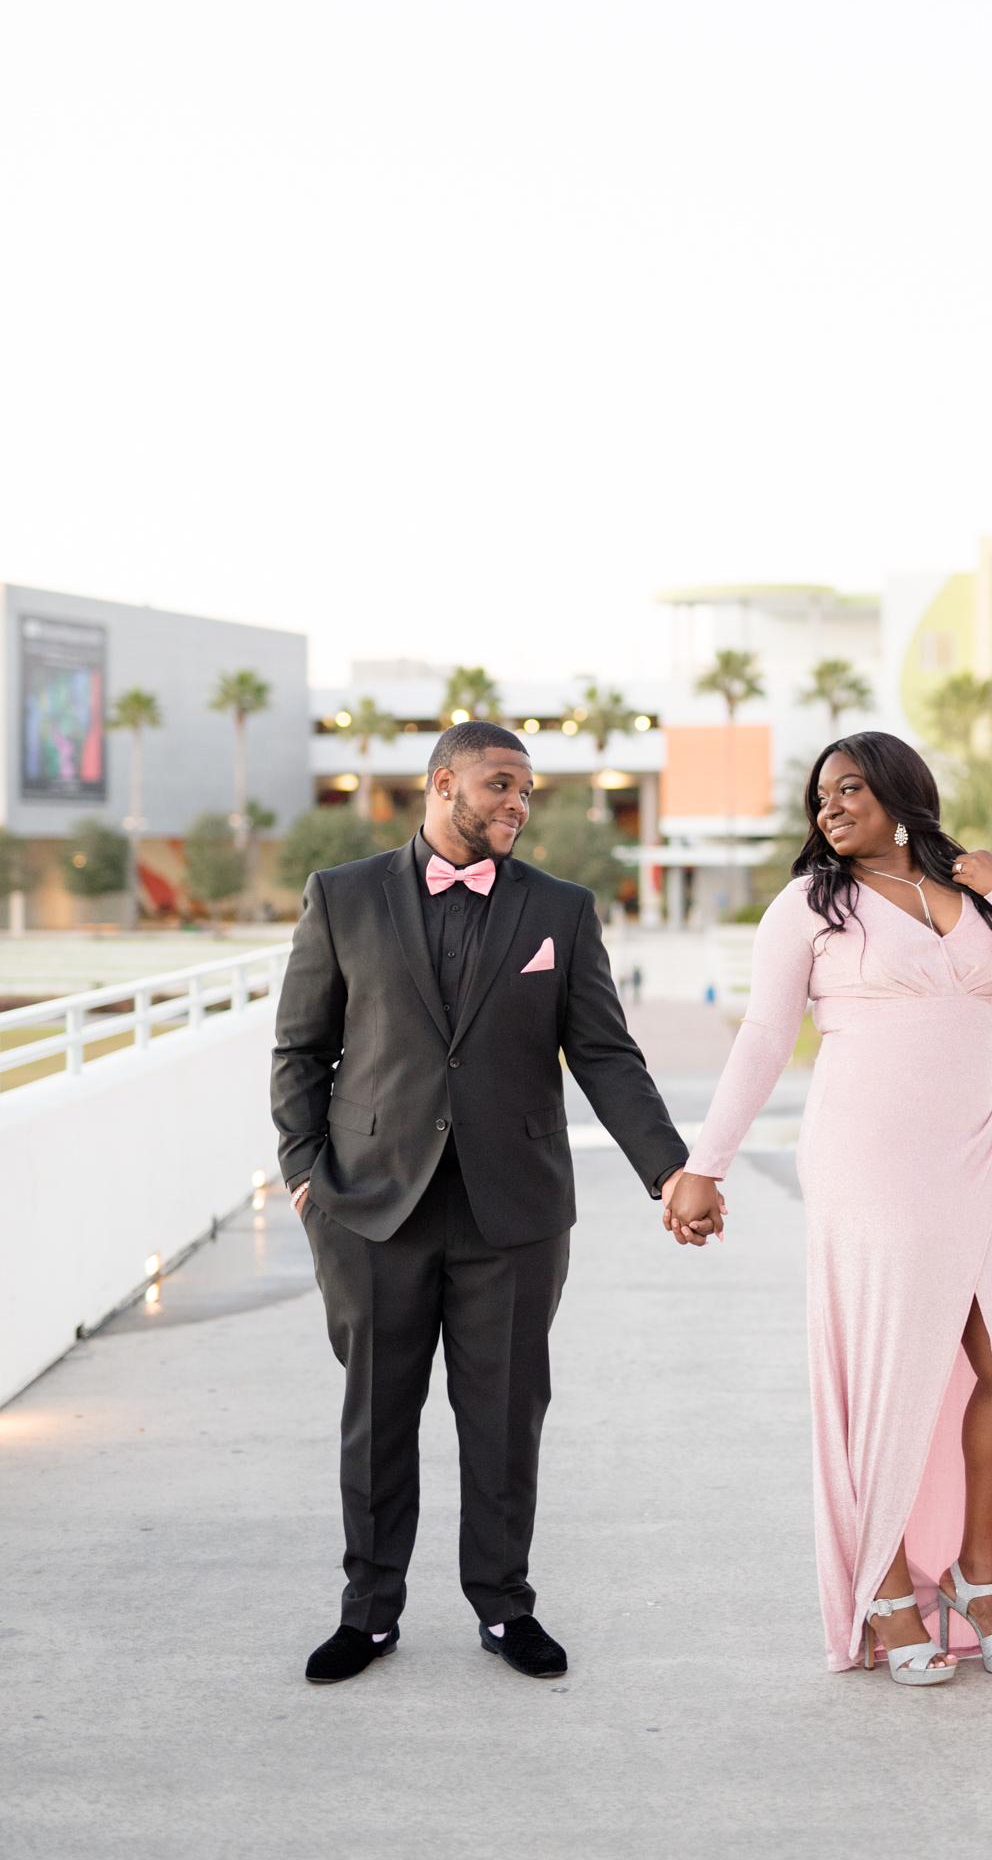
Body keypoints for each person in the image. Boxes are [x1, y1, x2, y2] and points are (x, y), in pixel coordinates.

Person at [272, 721, 713, 1685]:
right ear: (442, 784)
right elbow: (301, 1050)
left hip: (511, 1212)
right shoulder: (342, 897)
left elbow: (602, 1052)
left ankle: (506, 1608)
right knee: (376, 1416)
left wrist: (670, 1169)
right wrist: (307, 1176)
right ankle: (369, 1613)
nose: (518, 802)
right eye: (501, 784)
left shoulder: (560, 908)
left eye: (527, 790)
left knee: (505, 1417)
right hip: (371, 1205)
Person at [661, 732, 992, 1683]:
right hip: (866, 1162)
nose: (830, 807)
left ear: (900, 792)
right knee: (884, 1375)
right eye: (820, 796)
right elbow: (766, 1037)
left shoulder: (975, 893)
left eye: (849, 788)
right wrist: (705, 1163)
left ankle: (978, 1575)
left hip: (974, 1159)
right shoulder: (808, 905)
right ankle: (885, 1584)